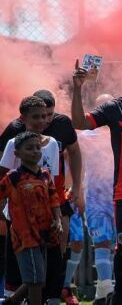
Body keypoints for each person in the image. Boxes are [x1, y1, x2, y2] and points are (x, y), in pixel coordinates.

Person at [71, 59, 122, 305]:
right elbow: (75, 138)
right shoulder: (90, 134)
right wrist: (77, 189)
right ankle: (106, 291)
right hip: (103, 195)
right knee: (104, 243)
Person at [0, 90, 84, 305]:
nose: (42, 120)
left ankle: (50, 298)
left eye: (45, 116)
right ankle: (12, 298)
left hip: (45, 219)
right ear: (24, 118)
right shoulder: (13, 148)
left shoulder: (54, 144)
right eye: (36, 116)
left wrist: (57, 217)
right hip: (19, 220)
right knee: (23, 269)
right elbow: (2, 183)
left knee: (46, 266)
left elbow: (52, 187)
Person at [0, 131, 63, 305]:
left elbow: (54, 200)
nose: (35, 151)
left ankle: (10, 302)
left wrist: (58, 221)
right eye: (29, 148)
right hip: (25, 236)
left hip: (46, 234)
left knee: (38, 277)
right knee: (35, 281)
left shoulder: (45, 175)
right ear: (17, 154)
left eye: (37, 147)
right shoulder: (13, 177)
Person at [77, 94, 116, 304]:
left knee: (119, 247)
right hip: (95, 197)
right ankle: (107, 288)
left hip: (121, 196)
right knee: (101, 243)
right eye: (102, 106)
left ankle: (103, 293)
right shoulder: (85, 136)